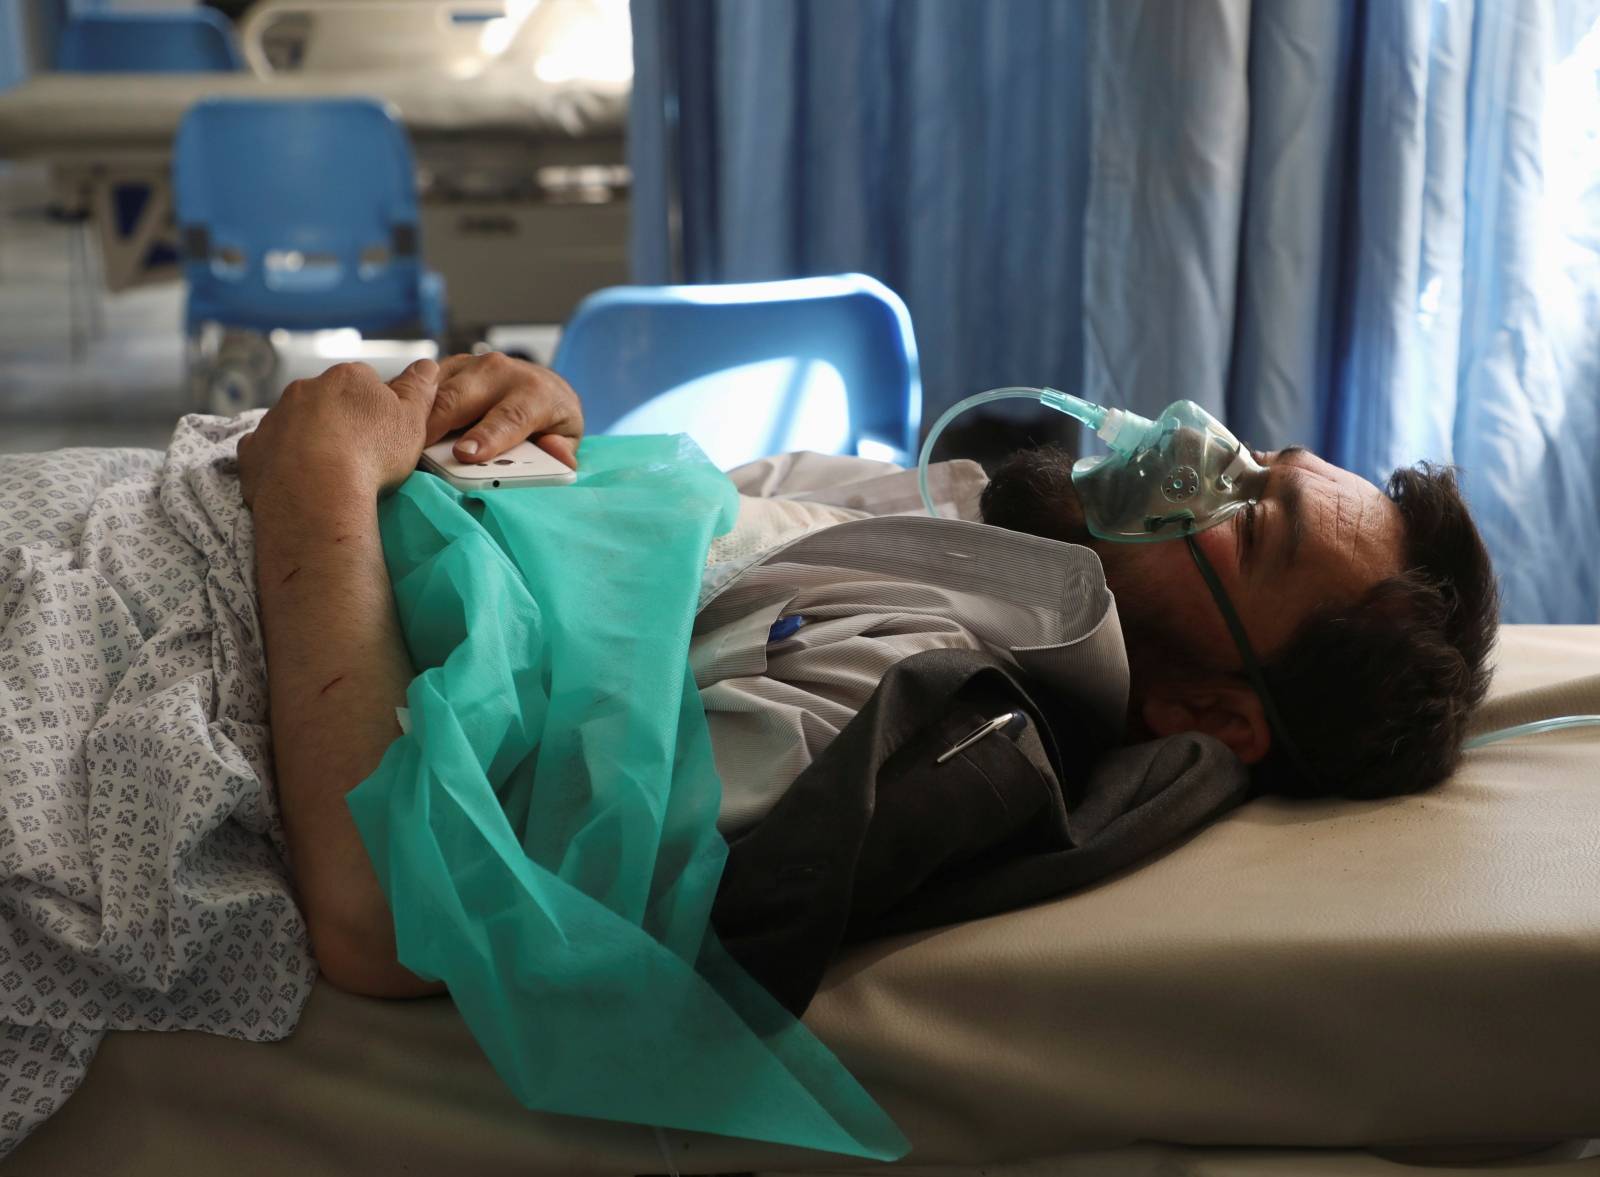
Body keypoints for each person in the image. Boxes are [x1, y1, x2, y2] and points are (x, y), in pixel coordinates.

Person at [237, 352, 1498, 998]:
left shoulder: (912, 705)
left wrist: (319, 506)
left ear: (1212, 711)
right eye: (1251, 452)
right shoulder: (980, 516)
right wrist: (554, 428)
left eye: (1247, 517)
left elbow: (396, 923)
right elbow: (674, 534)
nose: (1195, 451)